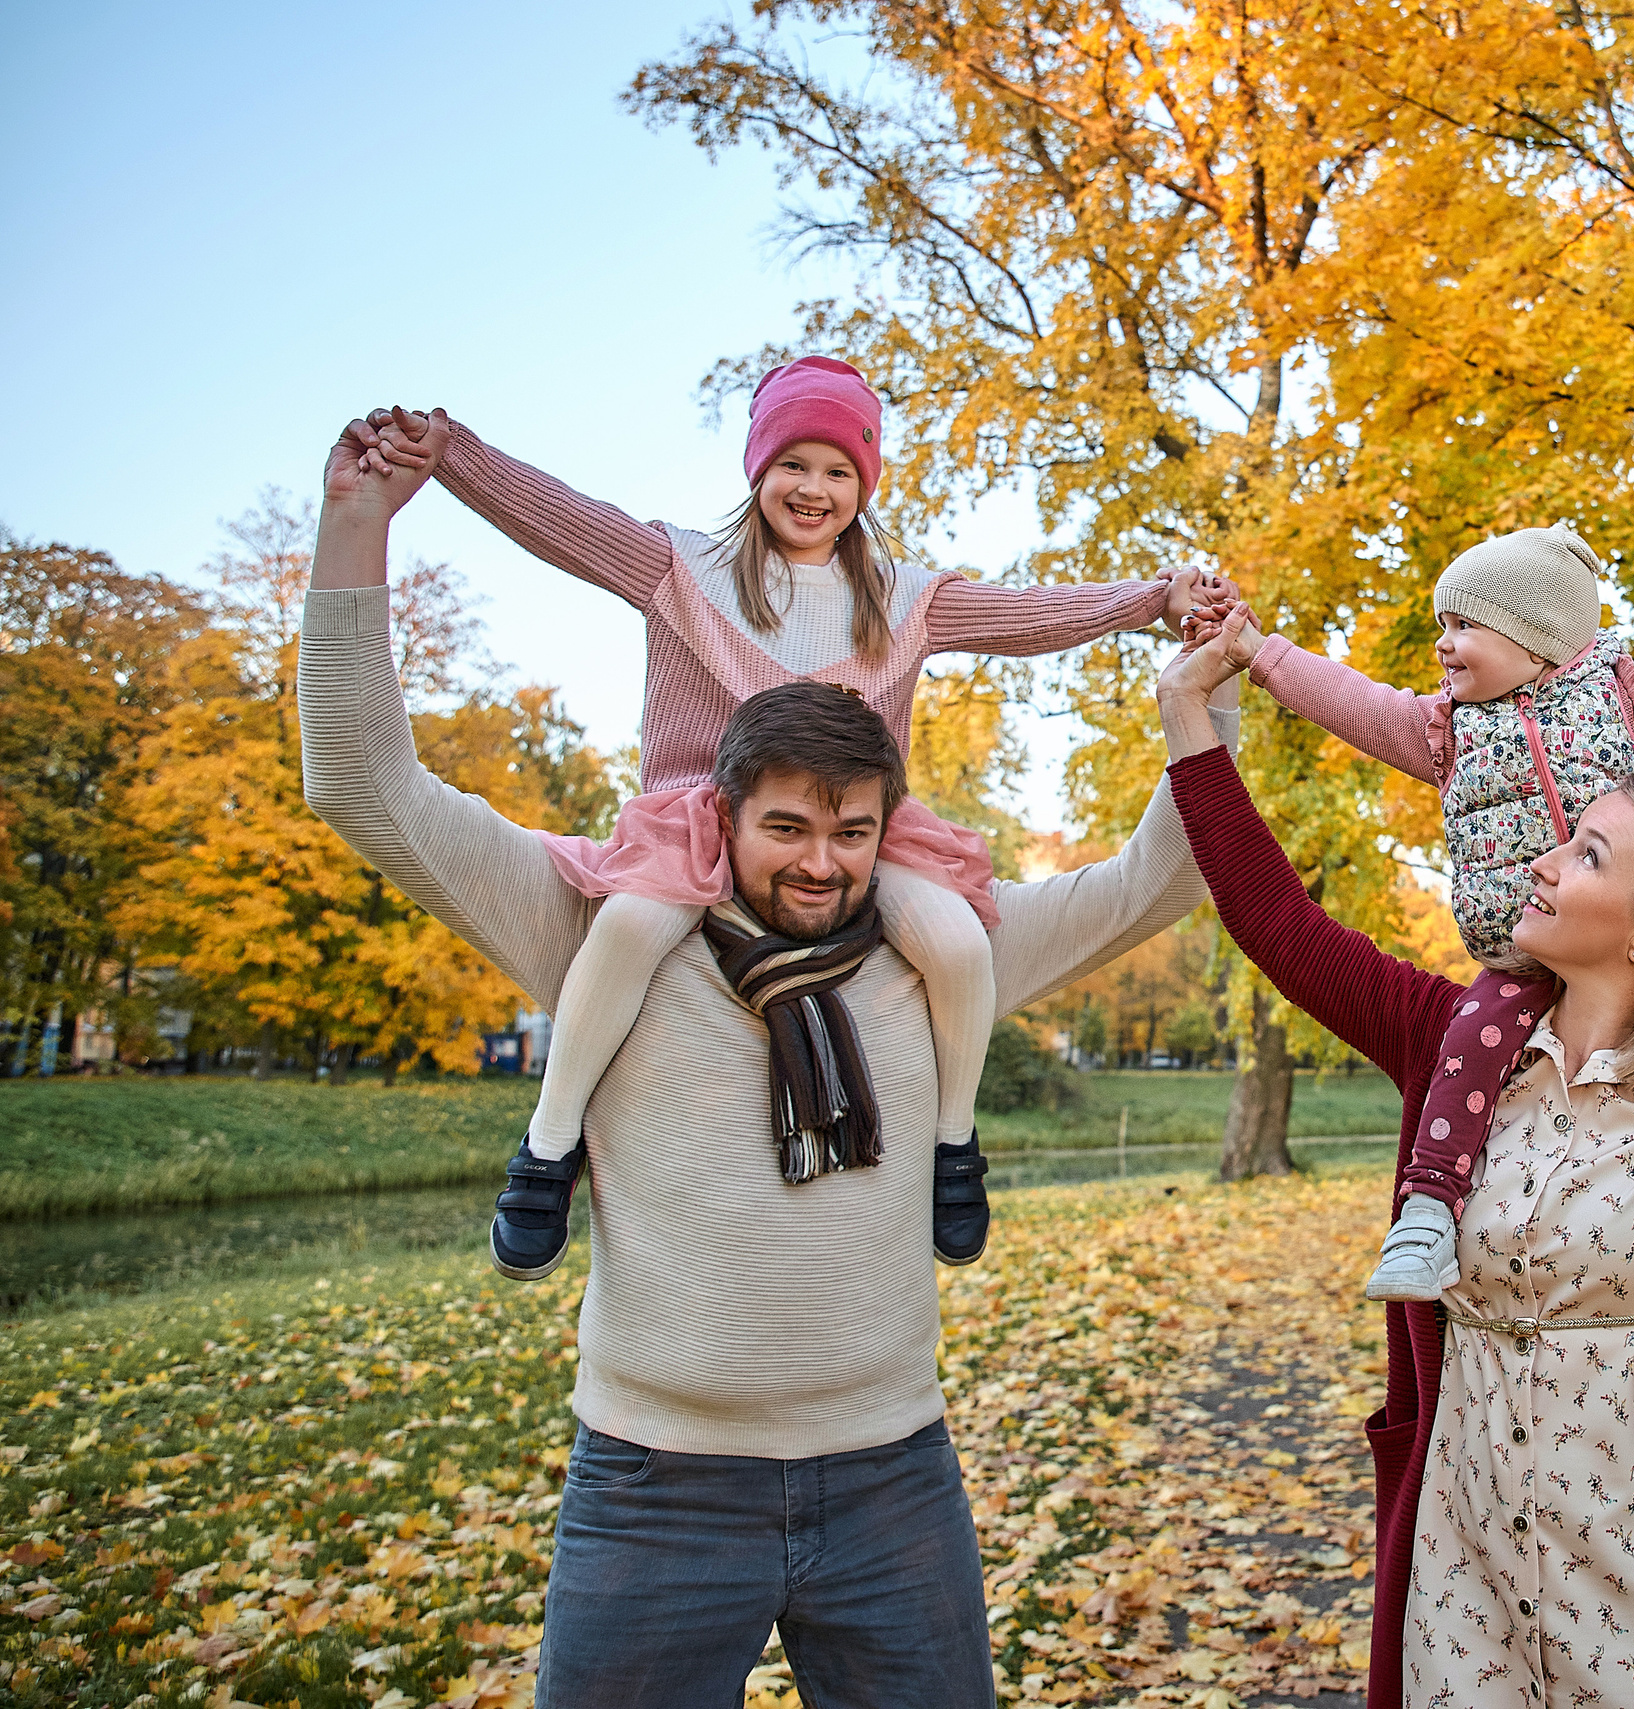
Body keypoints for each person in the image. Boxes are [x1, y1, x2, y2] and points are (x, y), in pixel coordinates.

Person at [301, 419, 1240, 1708]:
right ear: (719, 814)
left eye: (851, 832)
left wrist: (1201, 693)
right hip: (653, 1489)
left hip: (894, 1483)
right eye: (784, 826)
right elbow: (368, 785)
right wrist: (359, 523)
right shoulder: (603, 933)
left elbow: (1159, 881)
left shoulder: (938, 949)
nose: (820, 862)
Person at [1156, 565, 1634, 1709]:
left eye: (1587, 854)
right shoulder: (1448, 1044)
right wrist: (1189, 718)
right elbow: (1276, 919)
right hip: (1467, 1582)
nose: (1539, 857)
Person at [348, 369, 1217, 1280]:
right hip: (701, 816)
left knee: (959, 941)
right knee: (632, 926)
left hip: (854, 829)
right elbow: (560, 519)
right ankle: (550, 1142)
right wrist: (451, 456)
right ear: (757, 467)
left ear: (865, 484)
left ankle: (952, 1146)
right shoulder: (684, 568)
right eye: (792, 463)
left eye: (840, 470)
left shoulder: (905, 598)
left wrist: (1149, 600)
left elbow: (1031, 615)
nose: (813, 489)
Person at [1210, 525, 1634, 1300]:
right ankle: (1429, 1210)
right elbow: (1354, 702)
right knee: (1467, 1045)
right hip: (1519, 946)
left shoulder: (1621, 698)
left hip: (1631, 940)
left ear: (1537, 642)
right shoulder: (1447, 731)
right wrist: (1261, 654)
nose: (1444, 644)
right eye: (1443, 624)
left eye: (1464, 625)